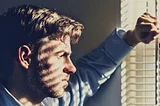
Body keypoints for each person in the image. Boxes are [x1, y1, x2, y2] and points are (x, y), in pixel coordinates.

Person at [0, 5, 159, 106]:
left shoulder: (52, 102)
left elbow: (89, 73)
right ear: (26, 57)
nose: (72, 67)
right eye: (61, 55)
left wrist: (132, 37)